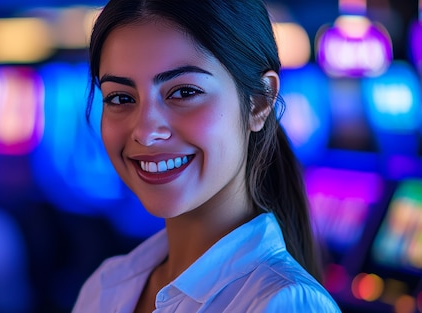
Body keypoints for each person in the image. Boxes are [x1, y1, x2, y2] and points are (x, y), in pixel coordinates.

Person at [72, 0, 342, 312]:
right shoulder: (105, 285)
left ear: (259, 102)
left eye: (184, 92)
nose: (145, 132)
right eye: (121, 98)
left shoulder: (282, 302)